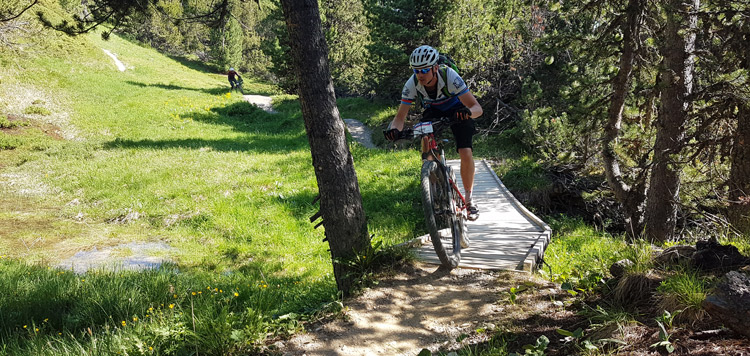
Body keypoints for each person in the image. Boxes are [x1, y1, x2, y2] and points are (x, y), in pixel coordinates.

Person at [384, 45, 483, 221]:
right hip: (434, 111)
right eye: (416, 71)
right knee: (426, 141)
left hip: (457, 110)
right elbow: (400, 117)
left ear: (435, 68)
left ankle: (468, 200)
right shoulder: (412, 83)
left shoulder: (449, 76)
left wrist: (467, 113)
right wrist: (394, 131)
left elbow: (477, 108)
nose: (420, 74)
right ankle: (433, 187)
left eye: (424, 70)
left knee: (465, 150)